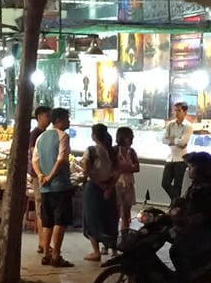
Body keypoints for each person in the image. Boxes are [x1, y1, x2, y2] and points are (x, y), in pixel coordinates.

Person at [161, 152, 211, 283]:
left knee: (177, 251)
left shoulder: (209, 190)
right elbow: (183, 203)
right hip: (193, 231)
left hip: (206, 234)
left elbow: (204, 215)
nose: (189, 170)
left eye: (192, 167)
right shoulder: (195, 186)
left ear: (201, 170)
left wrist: (186, 221)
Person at [33, 106, 74, 268]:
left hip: (45, 188)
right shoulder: (63, 136)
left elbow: (34, 160)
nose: (68, 122)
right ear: (59, 121)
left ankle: (45, 254)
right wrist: (50, 177)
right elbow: (61, 159)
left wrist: (41, 176)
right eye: (66, 119)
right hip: (60, 186)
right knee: (59, 221)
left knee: (47, 221)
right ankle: (56, 255)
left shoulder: (41, 137)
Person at [80, 122, 119, 262]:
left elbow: (87, 171)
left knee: (92, 219)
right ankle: (114, 249)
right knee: (110, 218)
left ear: (94, 136)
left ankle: (96, 252)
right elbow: (117, 172)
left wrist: (101, 186)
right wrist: (109, 187)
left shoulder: (91, 150)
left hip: (94, 188)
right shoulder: (113, 151)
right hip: (110, 187)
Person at [160, 102, 194, 201]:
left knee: (177, 185)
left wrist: (172, 140)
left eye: (179, 110)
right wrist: (175, 141)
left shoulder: (188, 126)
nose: (176, 113)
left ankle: (175, 205)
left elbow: (183, 142)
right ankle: (178, 202)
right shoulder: (171, 124)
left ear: (185, 112)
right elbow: (164, 139)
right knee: (165, 183)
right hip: (170, 158)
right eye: (175, 110)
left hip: (181, 159)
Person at [113, 125, 141, 236]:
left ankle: (125, 236)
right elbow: (113, 167)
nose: (131, 140)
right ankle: (112, 237)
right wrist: (128, 168)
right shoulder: (114, 151)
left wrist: (124, 169)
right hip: (117, 183)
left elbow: (137, 167)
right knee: (115, 212)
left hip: (129, 183)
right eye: (129, 137)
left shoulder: (131, 152)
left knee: (126, 211)